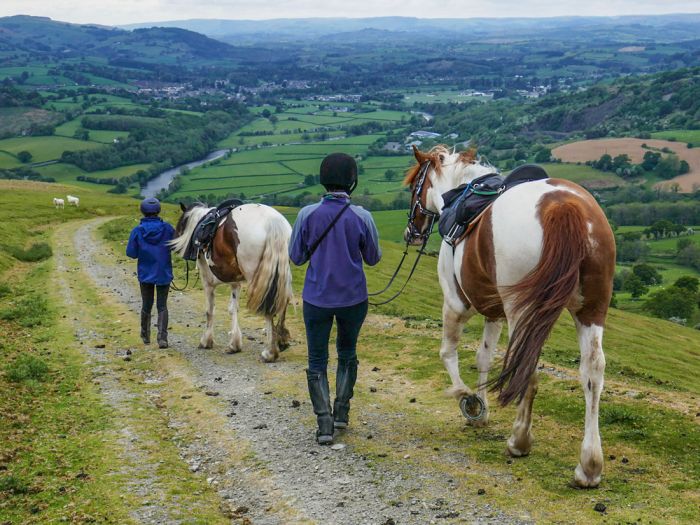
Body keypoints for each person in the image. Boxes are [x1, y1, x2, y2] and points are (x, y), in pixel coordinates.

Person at [289, 153, 382, 445]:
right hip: (353, 299)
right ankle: (342, 411)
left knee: (317, 359)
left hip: (316, 298)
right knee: (347, 353)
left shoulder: (306, 214)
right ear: (352, 181)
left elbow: (296, 257)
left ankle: (324, 424)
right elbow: (373, 258)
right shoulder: (362, 216)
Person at [126, 197, 176, 349]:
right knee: (162, 306)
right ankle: (162, 339)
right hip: (163, 272)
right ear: (158, 210)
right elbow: (175, 246)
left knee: (146, 304)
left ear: (143, 211)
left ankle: (145, 335)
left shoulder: (137, 231)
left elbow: (131, 253)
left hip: (145, 273)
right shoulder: (168, 229)